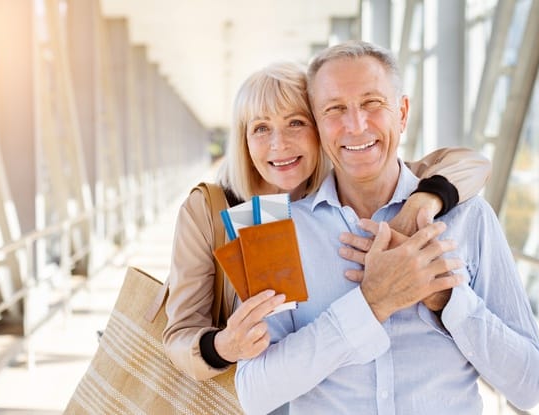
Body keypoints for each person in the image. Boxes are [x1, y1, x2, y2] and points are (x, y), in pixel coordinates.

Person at [235, 41, 539, 414]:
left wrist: (445, 299)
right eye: (335, 109)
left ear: (401, 113)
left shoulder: (470, 216)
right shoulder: (267, 228)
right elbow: (255, 394)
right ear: (318, 127)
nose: (356, 124)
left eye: (372, 103)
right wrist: (372, 303)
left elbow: (530, 386)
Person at [162, 61, 491, 382]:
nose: (280, 143)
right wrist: (223, 346)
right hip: (250, 391)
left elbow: (470, 162)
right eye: (261, 128)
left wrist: (422, 200)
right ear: (244, 140)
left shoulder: (343, 187)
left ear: (320, 128)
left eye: (295, 123)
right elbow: (179, 333)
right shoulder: (210, 209)